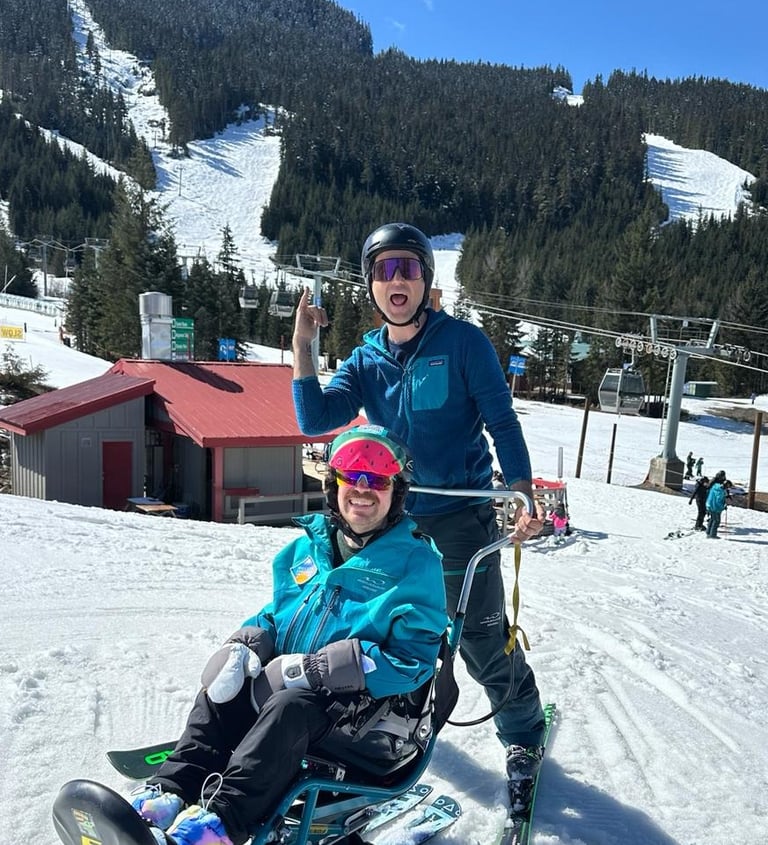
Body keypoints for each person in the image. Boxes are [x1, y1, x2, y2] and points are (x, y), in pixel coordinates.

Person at [291, 222, 546, 812]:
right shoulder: (367, 358)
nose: (396, 280)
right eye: (385, 270)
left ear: (426, 279)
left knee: (478, 637)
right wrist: (303, 347)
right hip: (394, 521)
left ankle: (524, 735)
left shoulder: (463, 344)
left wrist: (522, 489)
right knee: (377, 630)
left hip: (460, 516)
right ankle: (371, 733)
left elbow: (501, 424)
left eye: (407, 268)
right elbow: (314, 418)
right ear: (371, 284)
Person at [129, 425, 448, 845]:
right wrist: (247, 644)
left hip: (370, 722)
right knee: (222, 692)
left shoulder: (415, 565)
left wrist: (322, 671)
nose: (362, 490)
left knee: (289, 707)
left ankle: (218, 825)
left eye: (377, 480)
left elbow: (415, 663)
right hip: (294, 694)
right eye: (351, 477)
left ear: (396, 491)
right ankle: (169, 792)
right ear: (334, 484)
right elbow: (276, 616)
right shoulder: (305, 550)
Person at [705, 470, 727, 539]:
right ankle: (712, 534)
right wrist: (723, 507)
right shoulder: (717, 485)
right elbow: (718, 500)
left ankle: (708, 531)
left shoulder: (716, 486)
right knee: (716, 520)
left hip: (710, 503)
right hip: (714, 506)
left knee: (712, 518)